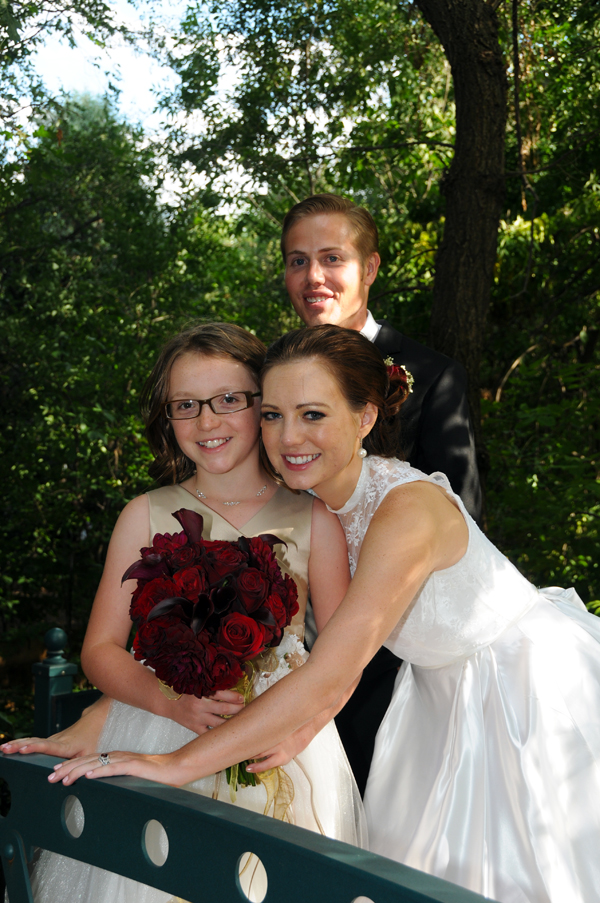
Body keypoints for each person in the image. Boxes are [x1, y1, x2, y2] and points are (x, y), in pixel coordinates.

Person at [53, 325, 600, 903]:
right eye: (274, 415)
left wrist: (176, 766)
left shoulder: (407, 511)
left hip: (523, 690)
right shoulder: (319, 507)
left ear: (365, 417)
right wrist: (99, 719)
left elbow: (331, 668)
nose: (289, 437)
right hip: (438, 697)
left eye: (313, 414)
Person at [7, 323, 364, 903]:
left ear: (263, 404)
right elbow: (99, 650)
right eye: (186, 405)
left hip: (278, 746)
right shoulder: (145, 514)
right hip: (158, 728)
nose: (207, 422)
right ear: (167, 417)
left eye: (229, 400)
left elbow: (347, 659)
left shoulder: (313, 519)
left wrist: (301, 733)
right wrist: (166, 702)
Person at [281, 192, 482, 794]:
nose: (312, 277)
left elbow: (463, 519)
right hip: (282, 633)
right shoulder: (270, 371)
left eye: (331, 258)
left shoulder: (433, 375)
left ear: (368, 268)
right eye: (296, 260)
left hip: (395, 662)